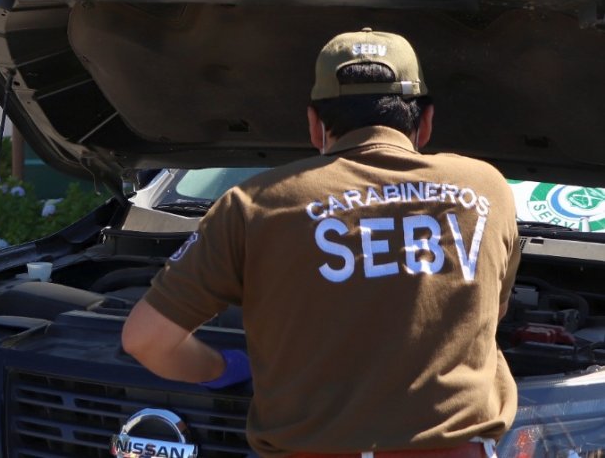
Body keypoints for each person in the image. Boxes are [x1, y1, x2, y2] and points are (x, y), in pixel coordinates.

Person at [122, 28, 521, 457]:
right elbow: (491, 312)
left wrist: (222, 367)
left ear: (315, 125)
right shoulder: (488, 189)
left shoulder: (253, 204)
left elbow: (147, 341)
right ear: (425, 121)